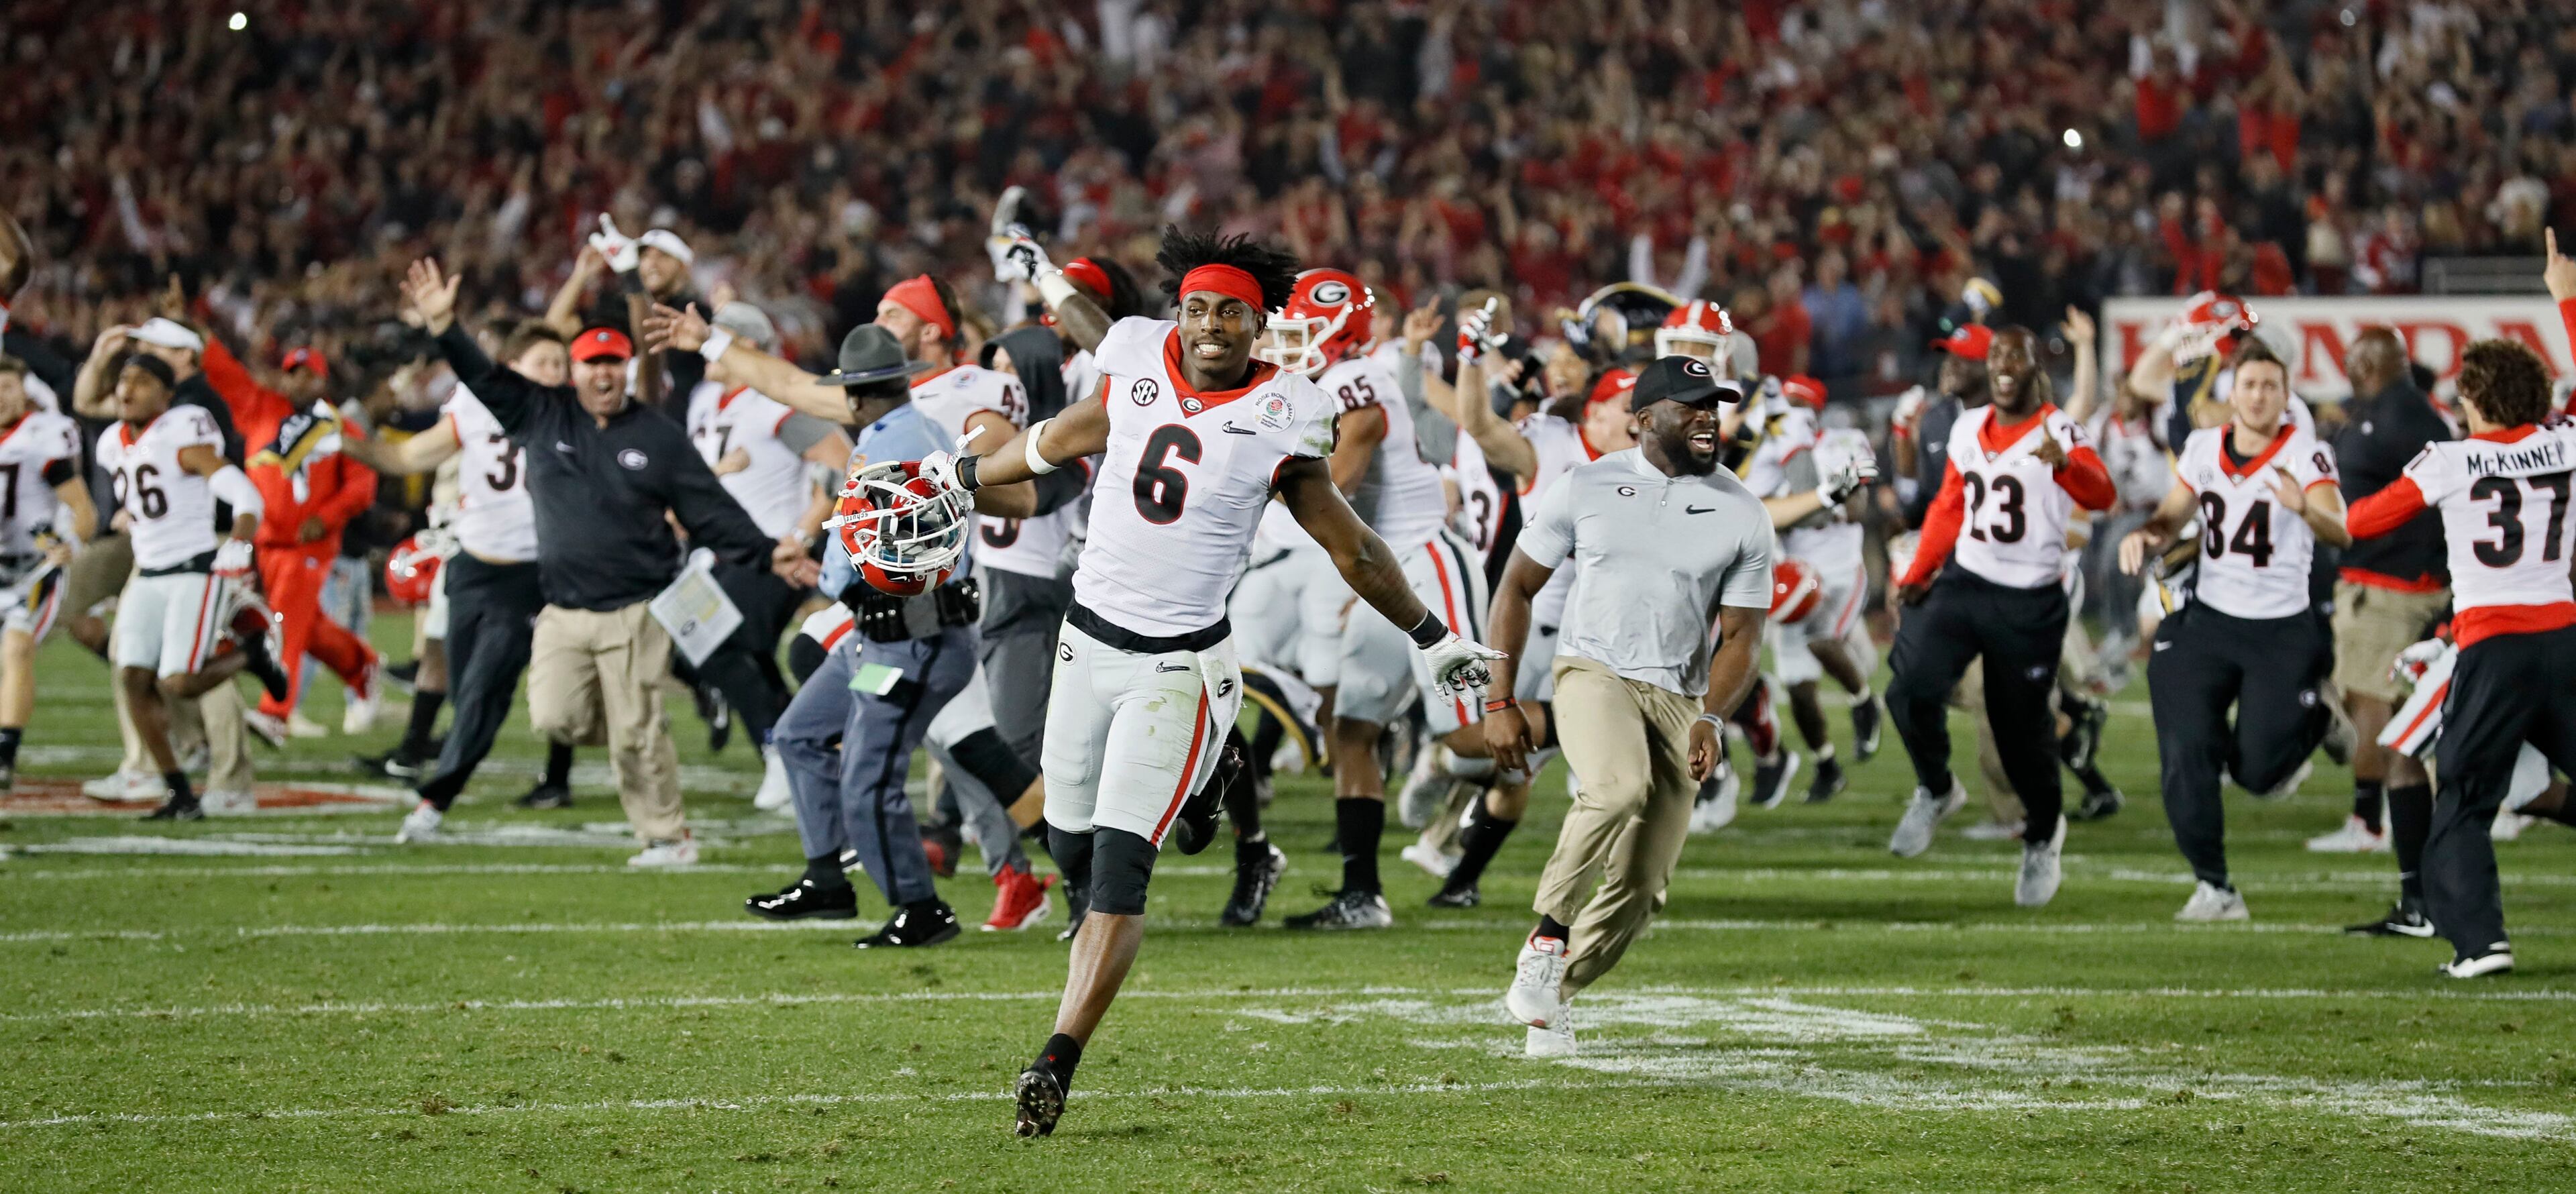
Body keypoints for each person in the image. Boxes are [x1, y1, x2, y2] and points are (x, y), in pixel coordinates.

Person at [916, 227, 1497, 1138]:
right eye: (1195, 307)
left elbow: (1351, 544)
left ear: (1260, 322)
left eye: (1231, 310)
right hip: (1086, 641)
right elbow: (1067, 397)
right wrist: (963, 473)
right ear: (1176, 314)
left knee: (1117, 875)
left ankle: (1056, 1058)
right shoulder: (1140, 352)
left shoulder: (1287, 412)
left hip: (1180, 663)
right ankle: (1216, 780)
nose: (1211, 325)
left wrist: (1430, 634)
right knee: (1067, 847)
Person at [647, 277, 1042, 938]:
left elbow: (970, 516)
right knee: (803, 734)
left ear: (855, 392)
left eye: (896, 310)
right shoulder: (893, 427)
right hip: (873, 637)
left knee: (884, 772)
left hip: (914, 635)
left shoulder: (921, 429)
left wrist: (939, 492)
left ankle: (926, 905)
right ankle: (829, 877)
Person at [399, 258, 783, 866]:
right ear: (574, 371)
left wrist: (769, 553)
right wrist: (446, 327)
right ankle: (640, 716)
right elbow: (483, 375)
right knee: (554, 717)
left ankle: (667, 837)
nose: (603, 375)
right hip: (562, 609)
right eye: (592, 364)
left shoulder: (657, 435)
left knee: (635, 734)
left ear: (626, 371)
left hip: (637, 608)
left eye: (613, 363)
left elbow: (709, 512)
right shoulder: (540, 413)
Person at [1489, 354, 1772, 1059]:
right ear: (1644, 421)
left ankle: (1555, 1001)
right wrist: (1499, 696)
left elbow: (1742, 636)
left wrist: (1711, 714)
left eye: (1716, 404)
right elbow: (1515, 587)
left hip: (1679, 693)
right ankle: (1547, 934)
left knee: (1643, 888)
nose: (1710, 417)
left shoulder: (1742, 509)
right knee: (1618, 787)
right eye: (1693, 405)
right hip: (1593, 670)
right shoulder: (1585, 484)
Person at [1257, 268, 1490, 931]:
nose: (1283, 342)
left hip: (1427, 563)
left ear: (1340, 331)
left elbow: (1342, 483)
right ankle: (1362, 894)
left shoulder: (1354, 383)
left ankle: (1585, 720)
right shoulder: (1326, 383)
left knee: (1472, 742)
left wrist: (1249, 472)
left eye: (1299, 330)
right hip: (1387, 577)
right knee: (1352, 728)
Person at [2341, 337, 2576, 978]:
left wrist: (2306, 504)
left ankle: (2480, 941)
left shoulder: (2449, 461)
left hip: (2493, 648)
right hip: (2563, 640)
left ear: (2473, 399)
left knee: (2465, 799)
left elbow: (2359, 521)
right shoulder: (2566, 443)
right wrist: (2567, 301)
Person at [2118, 340, 2349, 922]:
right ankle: (2215, 886)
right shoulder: (2202, 446)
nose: (2259, 395)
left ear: (2286, 394)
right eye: (2249, 384)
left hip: (2281, 629)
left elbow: (2340, 530)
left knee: (2258, 773)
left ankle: (2317, 718)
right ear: (2233, 391)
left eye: (2271, 385)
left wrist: (2305, 510)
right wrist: (2149, 535)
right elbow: (2174, 513)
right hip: (2210, 619)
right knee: (2185, 751)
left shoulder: (2305, 453)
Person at [1884, 327, 2116, 904]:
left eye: (2016, 355)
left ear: (2037, 366)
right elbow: (1949, 506)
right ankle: (1937, 788)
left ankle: (2043, 834)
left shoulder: (2059, 428)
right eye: (1997, 357)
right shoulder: (1968, 426)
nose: (2004, 366)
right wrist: (1918, 574)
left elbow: (2103, 494)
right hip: (1967, 582)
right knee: (1908, 688)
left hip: (2030, 598)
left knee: (2020, 735)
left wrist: (2066, 465)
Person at [352, 323, 576, 834]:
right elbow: (408, 456)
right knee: (462, 687)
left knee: (482, 689)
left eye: (561, 365)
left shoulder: (568, 411)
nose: (556, 374)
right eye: (545, 363)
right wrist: (342, 444)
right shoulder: (476, 405)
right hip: (471, 564)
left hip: (532, 570)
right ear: (514, 366)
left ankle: (434, 800)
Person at [96, 354, 287, 820]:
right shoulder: (109, 442)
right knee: (132, 678)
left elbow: (244, 493)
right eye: (124, 380)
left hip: (193, 570)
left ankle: (251, 654)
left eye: (142, 382)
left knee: (178, 683)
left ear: (166, 396)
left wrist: (240, 541)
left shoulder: (180, 436)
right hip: (149, 571)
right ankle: (179, 792)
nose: (128, 389)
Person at [681, 301, 849, 806]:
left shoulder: (778, 403)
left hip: (774, 548)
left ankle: (779, 749)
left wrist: (800, 536)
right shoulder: (705, 398)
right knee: (700, 650)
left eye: (720, 335)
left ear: (747, 345)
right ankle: (797, 743)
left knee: (715, 646)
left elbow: (841, 467)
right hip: (716, 552)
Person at [2312, 328, 2453, 882]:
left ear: (2368, 364)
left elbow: (2431, 499)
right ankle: (2396, 812)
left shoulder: (2397, 418)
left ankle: (2368, 819)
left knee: (2371, 699)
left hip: (2391, 584)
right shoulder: (2404, 412)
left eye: (2351, 362)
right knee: (2384, 702)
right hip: (2395, 578)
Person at [198, 340, 383, 743]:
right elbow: (225, 374)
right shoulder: (262, 408)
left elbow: (362, 485)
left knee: (282, 622)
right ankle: (360, 664)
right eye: (292, 372)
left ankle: (275, 713)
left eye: (308, 373)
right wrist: (201, 337)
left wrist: (327, 517)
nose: (299, 381)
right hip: (264, 544)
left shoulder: (340, 427)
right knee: (305, 626)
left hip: (308, 548)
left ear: (322, 379)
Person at [0, 356, 97, 790]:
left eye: (7, 388)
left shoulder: (41, 438)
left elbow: (83, 510)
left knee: (18, 649)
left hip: (34, 567)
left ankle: (4, 754)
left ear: (23, 392)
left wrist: (70, 544)